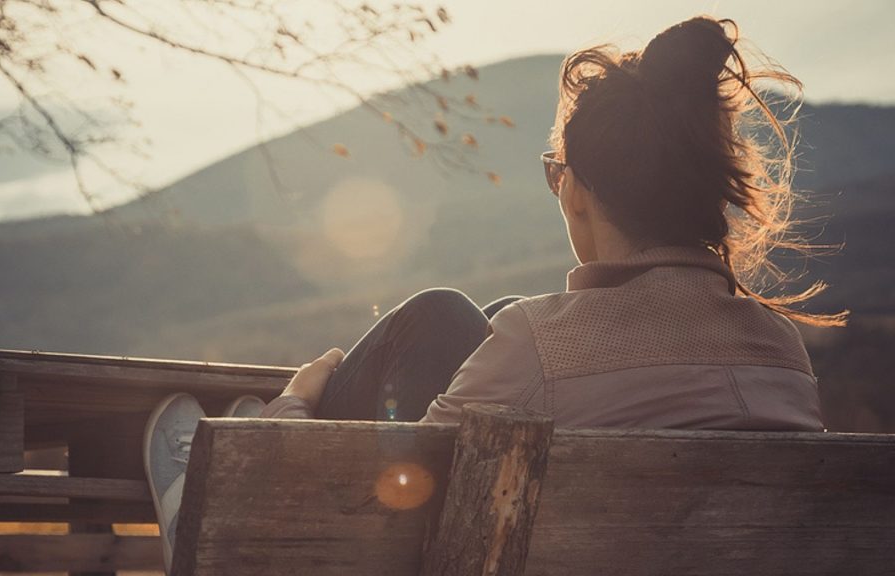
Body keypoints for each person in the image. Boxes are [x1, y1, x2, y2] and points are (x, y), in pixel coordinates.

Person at [143, 15, 847, 573]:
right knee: (491, 319)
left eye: (556, 172)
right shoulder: (781, 349)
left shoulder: (540, 346)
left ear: (579, 190)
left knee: (442, 315)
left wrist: (297, 401)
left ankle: (199, 498)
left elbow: (357, 509)